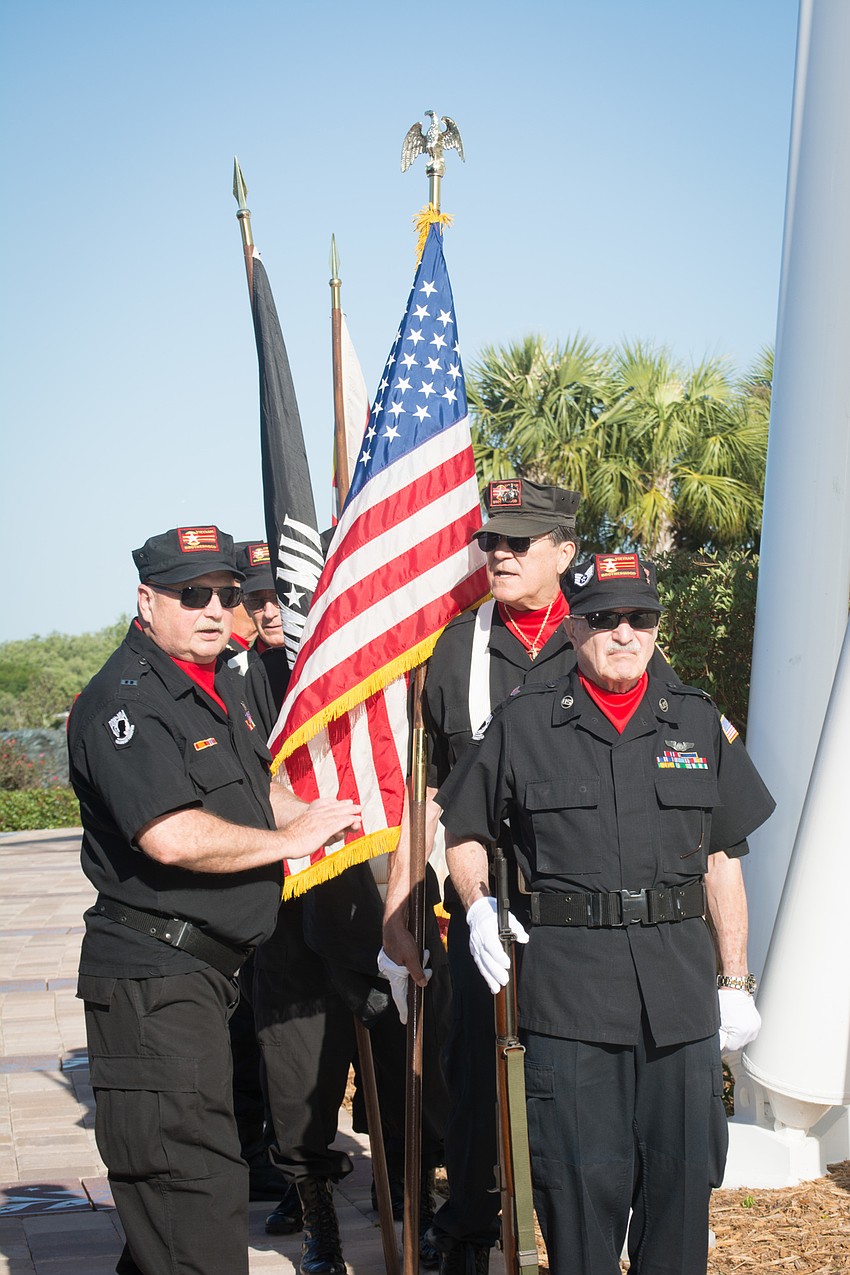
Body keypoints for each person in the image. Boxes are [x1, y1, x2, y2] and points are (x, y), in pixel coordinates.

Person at [435, 551, 775, 1275]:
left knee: (682, 1196)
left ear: (656, 625)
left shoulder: (696, 720)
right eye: (605, 618)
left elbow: (722, 857)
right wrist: (477, 904)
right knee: (578, 1201)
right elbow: (462, 828)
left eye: (640, 617)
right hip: (570, 1003)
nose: (624, 633)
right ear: (575, 625)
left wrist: (737, 978)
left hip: (679, 1005)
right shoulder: (525, 724)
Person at [68, 524, 360, 1275]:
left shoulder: (220, 684)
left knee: (181, 1202)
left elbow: (254, 790)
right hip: (154, 978)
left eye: (225, 594)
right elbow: (170, 834)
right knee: (193, 1195)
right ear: (146, 599)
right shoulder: (124, 701)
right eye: (189, 594)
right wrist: (287, 844)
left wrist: (321, 812)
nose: (212, 609)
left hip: (201, 977)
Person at [381, 479, 583, 1274]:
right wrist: (400, 903)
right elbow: (429, 788)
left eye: (518, 542)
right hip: (478, 896)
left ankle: (570, 1228)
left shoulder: (610, 631)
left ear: (564, 551)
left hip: (578, 905)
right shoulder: (457, 647)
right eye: (491, 541)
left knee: (569, 1072)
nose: (498, 554)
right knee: (470, 1073)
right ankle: (467, 1228)